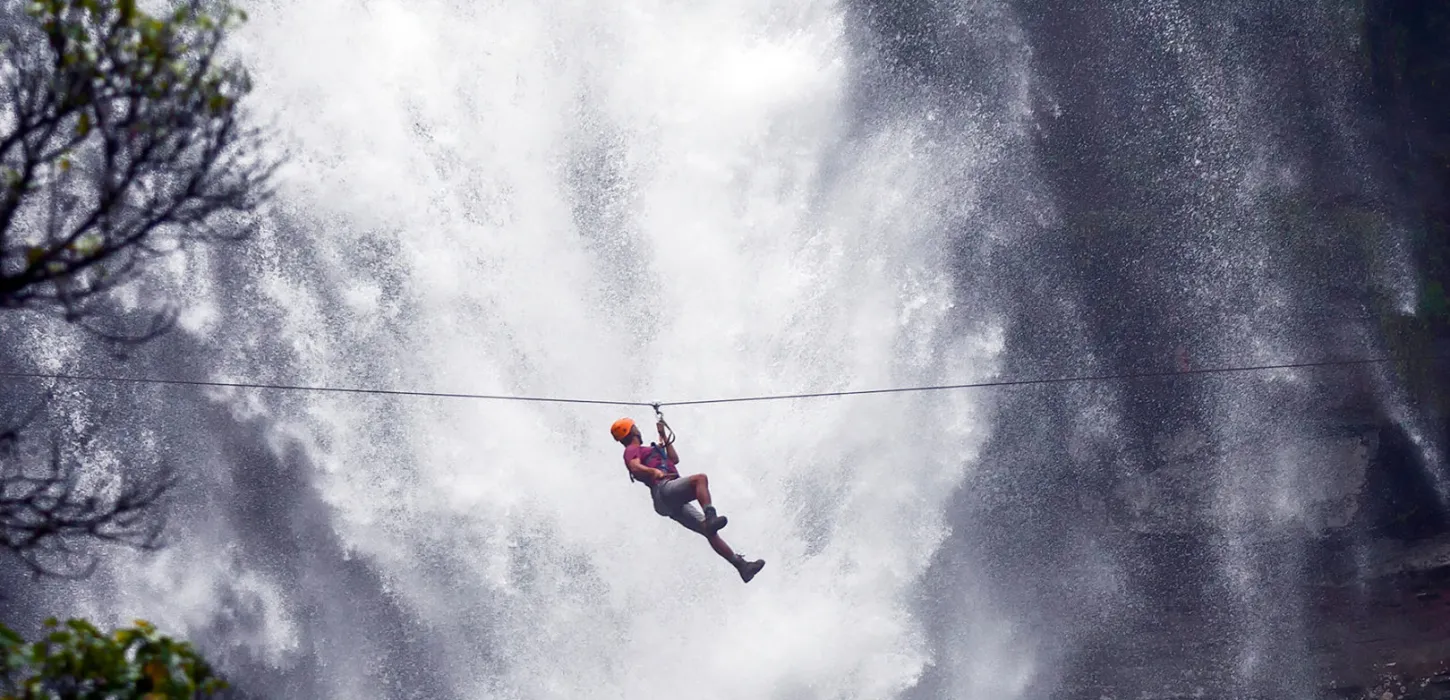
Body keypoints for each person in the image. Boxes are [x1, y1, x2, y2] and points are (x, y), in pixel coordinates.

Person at [610, 416, 766, 583]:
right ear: (631, 431)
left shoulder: (648, 450)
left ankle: (741, 566)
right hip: (663, 489)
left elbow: (674, 459)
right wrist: (652, 472)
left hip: (668, 501)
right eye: (635, 426)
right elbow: (634, 466)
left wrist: (663, 436)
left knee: (708, 530)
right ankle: (711, 515)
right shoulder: (632, 449)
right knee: (700, 479)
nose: (638, 429)